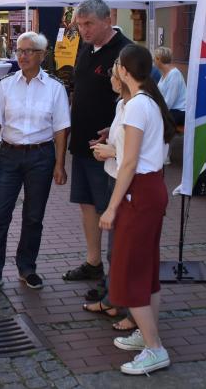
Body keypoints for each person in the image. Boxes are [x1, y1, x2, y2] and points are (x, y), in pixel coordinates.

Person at [0, 32, 69, 295]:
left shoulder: (55, 88)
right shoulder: (5, 85)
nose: (22, 56)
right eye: (19, 51)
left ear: (42, 55)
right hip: (10, 155)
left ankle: (27, 267)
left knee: (34, 215)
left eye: (29, 51)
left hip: (41, 156)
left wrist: (60, 164)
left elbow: (61, 129)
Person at [100, 44, 176, 376]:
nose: (114, 68)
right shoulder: (147, 102)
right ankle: (148, 337)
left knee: (131, 271)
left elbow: (128, 162)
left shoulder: (136, 106)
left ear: (126, 72)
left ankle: (155, 348)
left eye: (117, 64)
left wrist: (111, 207)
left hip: (140, 193)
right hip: (150, 189)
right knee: (145, 271)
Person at [65, 0, 132, 284]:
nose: (83, 30)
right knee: (87, 204)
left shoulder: (125, 52)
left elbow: (133, 99)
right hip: (82, 144)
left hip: (107, 150)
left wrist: (114, 130)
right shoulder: (85, 47)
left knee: (109, 208)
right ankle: (93, 263)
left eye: (89, 23)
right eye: (80, 25)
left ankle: (115, 273)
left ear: (108, 19)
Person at [85, 60, 136, 332]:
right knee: (113, 249)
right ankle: (115, 299)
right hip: (113, 176)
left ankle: (128, 306)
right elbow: (123, 140)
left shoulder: (140, 107)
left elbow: (142, 155)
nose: (110, 79)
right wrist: (109, 138)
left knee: (122, 249)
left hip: (127, 183)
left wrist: (111, 151)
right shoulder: (121, 105)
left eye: (113, 74)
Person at [153, 46, 186, 126]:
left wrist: (155, 111)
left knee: (154, 121)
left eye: (155, 58)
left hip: (179, 111)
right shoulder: (164, 74)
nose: (153, 61)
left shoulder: (174, 74)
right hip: (170, 110)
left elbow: (169, 101)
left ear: (159, 59)